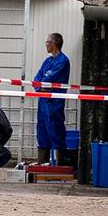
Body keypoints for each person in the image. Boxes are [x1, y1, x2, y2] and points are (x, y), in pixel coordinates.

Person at [33, 32, 71, 166]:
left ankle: (59, 165)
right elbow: (37, 79)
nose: (46, 45)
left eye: (47, 42)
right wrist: (40, 87)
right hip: (43, 101)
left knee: (55, 130)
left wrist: (43, 85)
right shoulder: (47, 61)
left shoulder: (63, 61)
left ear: (54, 44)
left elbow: (49, 80)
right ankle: (42, 163)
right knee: (42, 131)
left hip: (54, 102)